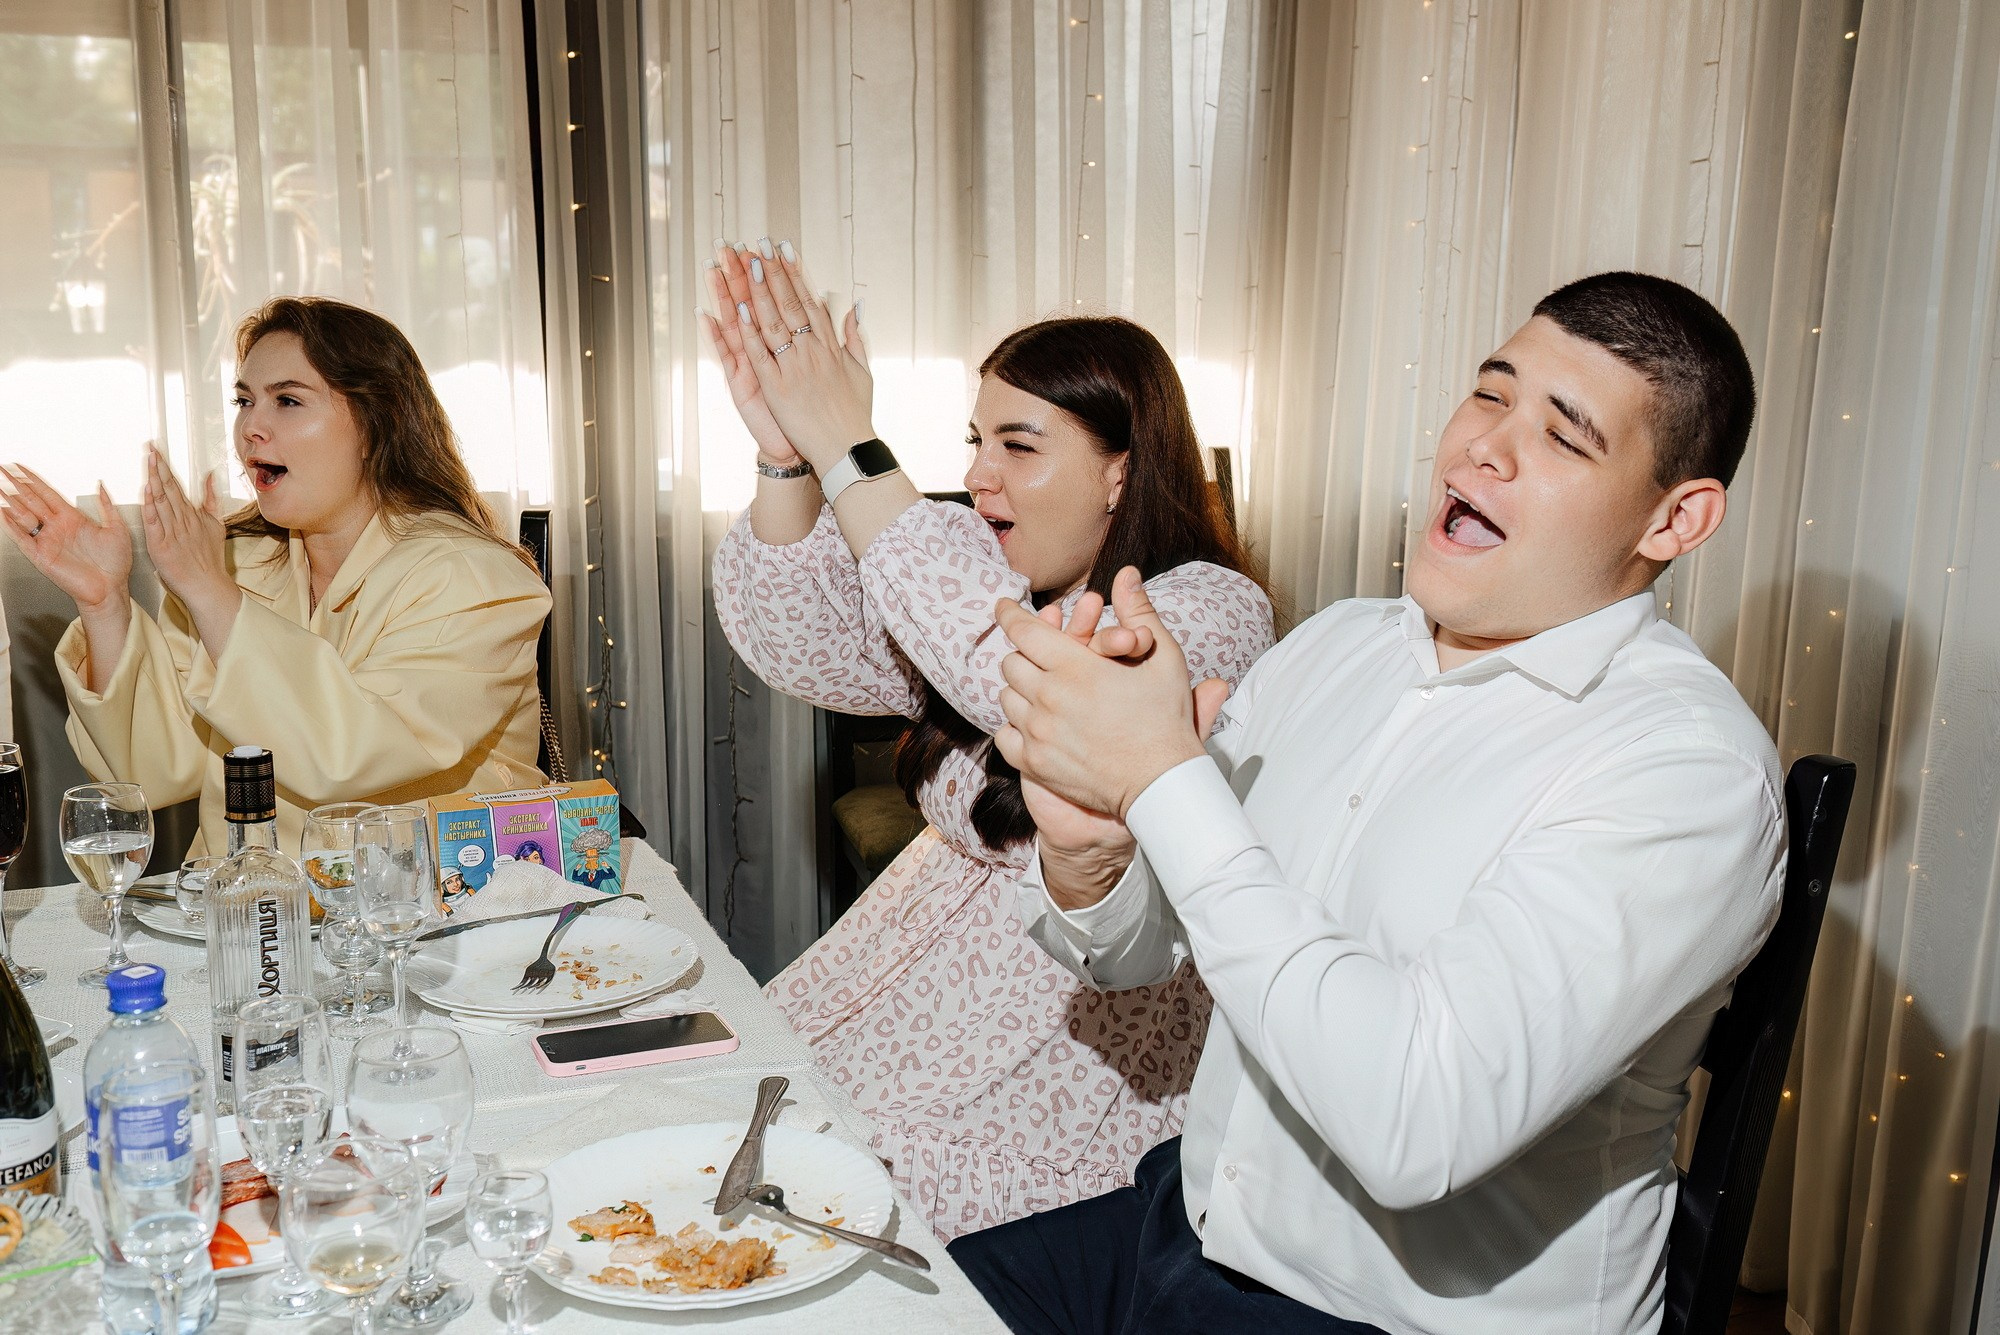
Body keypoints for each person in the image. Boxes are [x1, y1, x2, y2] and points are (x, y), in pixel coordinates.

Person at [955, 272, 1784, 1334]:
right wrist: (1090, 852)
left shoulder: (1683, 772)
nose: (1485, 447)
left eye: (1563, 436)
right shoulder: (1339, 644)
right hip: (1186, 1226)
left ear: (1675, 518)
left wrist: (1161, 776)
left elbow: (1409, 1127)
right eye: (1490, 394)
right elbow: (1140, 954)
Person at [703, 238, 1273, 1238]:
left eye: (1017, 445)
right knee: (721, 1137)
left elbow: (1043, 693)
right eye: (974, 442)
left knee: (826, 1212)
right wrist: (790, 452)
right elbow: (804, 644)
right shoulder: (1002, 578)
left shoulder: (1213, 608)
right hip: (904, 987)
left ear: (1118, 472)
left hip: (1056, 1036)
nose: (975, 476)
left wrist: (852, 447)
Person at [1, 297, 551, 858]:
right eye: (244, 400)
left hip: (432, 921)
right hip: (251, 917)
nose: (250, 429)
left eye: (287, 400)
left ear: (375, 423)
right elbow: (156, 768)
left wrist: (211, 591)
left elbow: (349, 756)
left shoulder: (475, 578)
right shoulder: (240, 561)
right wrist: (104, 604)